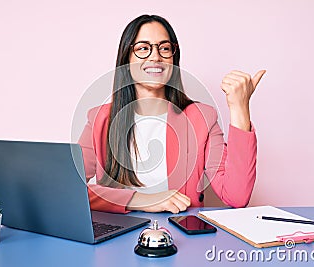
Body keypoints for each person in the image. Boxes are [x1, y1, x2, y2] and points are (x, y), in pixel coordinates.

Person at [78, 14, 265, 214]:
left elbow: (236, 197)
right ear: (126, 59)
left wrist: (239, 108)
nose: (155, 56)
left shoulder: (202, 118)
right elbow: (70, 187)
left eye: (164, 48)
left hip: (179, 234)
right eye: (143, 48)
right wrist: (141, 200)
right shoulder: (100, 120)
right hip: (117, 237)